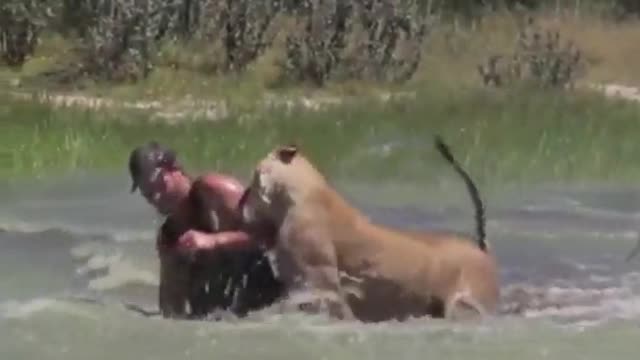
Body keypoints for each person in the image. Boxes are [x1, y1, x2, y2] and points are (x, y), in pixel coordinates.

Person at [128, 141, 284, 320]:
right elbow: (171, 310)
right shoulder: (168, 239)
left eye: (159, 183)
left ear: (175, 169)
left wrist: (214, 241)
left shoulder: (215, 191)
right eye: (146, 191)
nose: (155, 196)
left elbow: (270, 234)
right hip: (220, 323)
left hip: (265, 304)